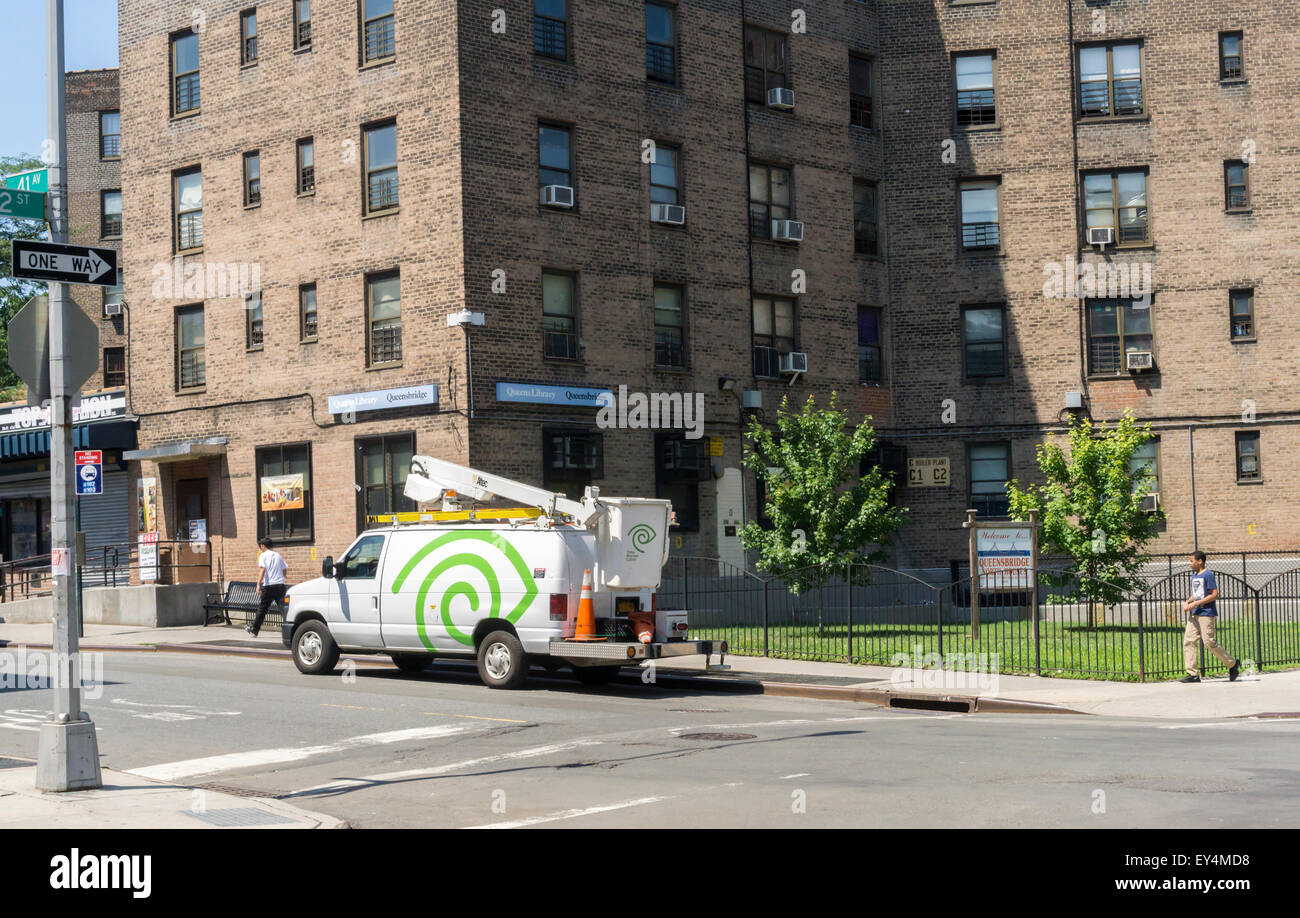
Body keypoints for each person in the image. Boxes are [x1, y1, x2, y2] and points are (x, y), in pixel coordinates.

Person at [1180, 551, 1240, 683]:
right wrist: (1188, 602)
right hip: (1195, 613)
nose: (1190, 564)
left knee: (1208, 642)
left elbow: (1214, 594)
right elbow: (1197, 594)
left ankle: (1232, 664)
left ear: (1200, 561)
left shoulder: (1208, 574)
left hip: (1206, 613)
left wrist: (1195, 603)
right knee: (1188, 641)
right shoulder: (1195, 575)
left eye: (1191, 561)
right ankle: (1193, 674)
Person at [247, 537, 288, 637]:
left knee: (262, 609)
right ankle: (291, 630)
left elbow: (262, 570)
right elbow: (285, 568)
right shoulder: (278, 555)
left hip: (269, 586)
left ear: (263, 546)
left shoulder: (263, 555)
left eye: (260, 545)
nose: (260, 547)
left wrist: (258, 584)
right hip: (280, 585)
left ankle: (254, 630)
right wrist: (282, 577)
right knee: (283, 608)